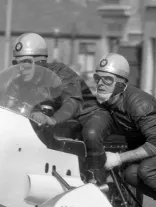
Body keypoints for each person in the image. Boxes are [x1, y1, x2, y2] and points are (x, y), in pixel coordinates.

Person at [11, 33, 113, 184]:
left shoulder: (60, 73)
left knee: (90, 134)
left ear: (40, 62)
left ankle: (97, 181)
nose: (21, 68)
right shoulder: (18, 83)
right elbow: (7, 105)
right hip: (58, 123)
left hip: (88, 116)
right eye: (16, 62)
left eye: (26, 62)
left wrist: (52, 120)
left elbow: (71, 102)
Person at [93, 52, 156, 207]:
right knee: (131, 174)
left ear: (121, 84)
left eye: (107, 80)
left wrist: (119, 158)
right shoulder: (107, 102)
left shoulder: (138, 103)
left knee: (147, 170)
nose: (100, 83)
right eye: (97, 77)